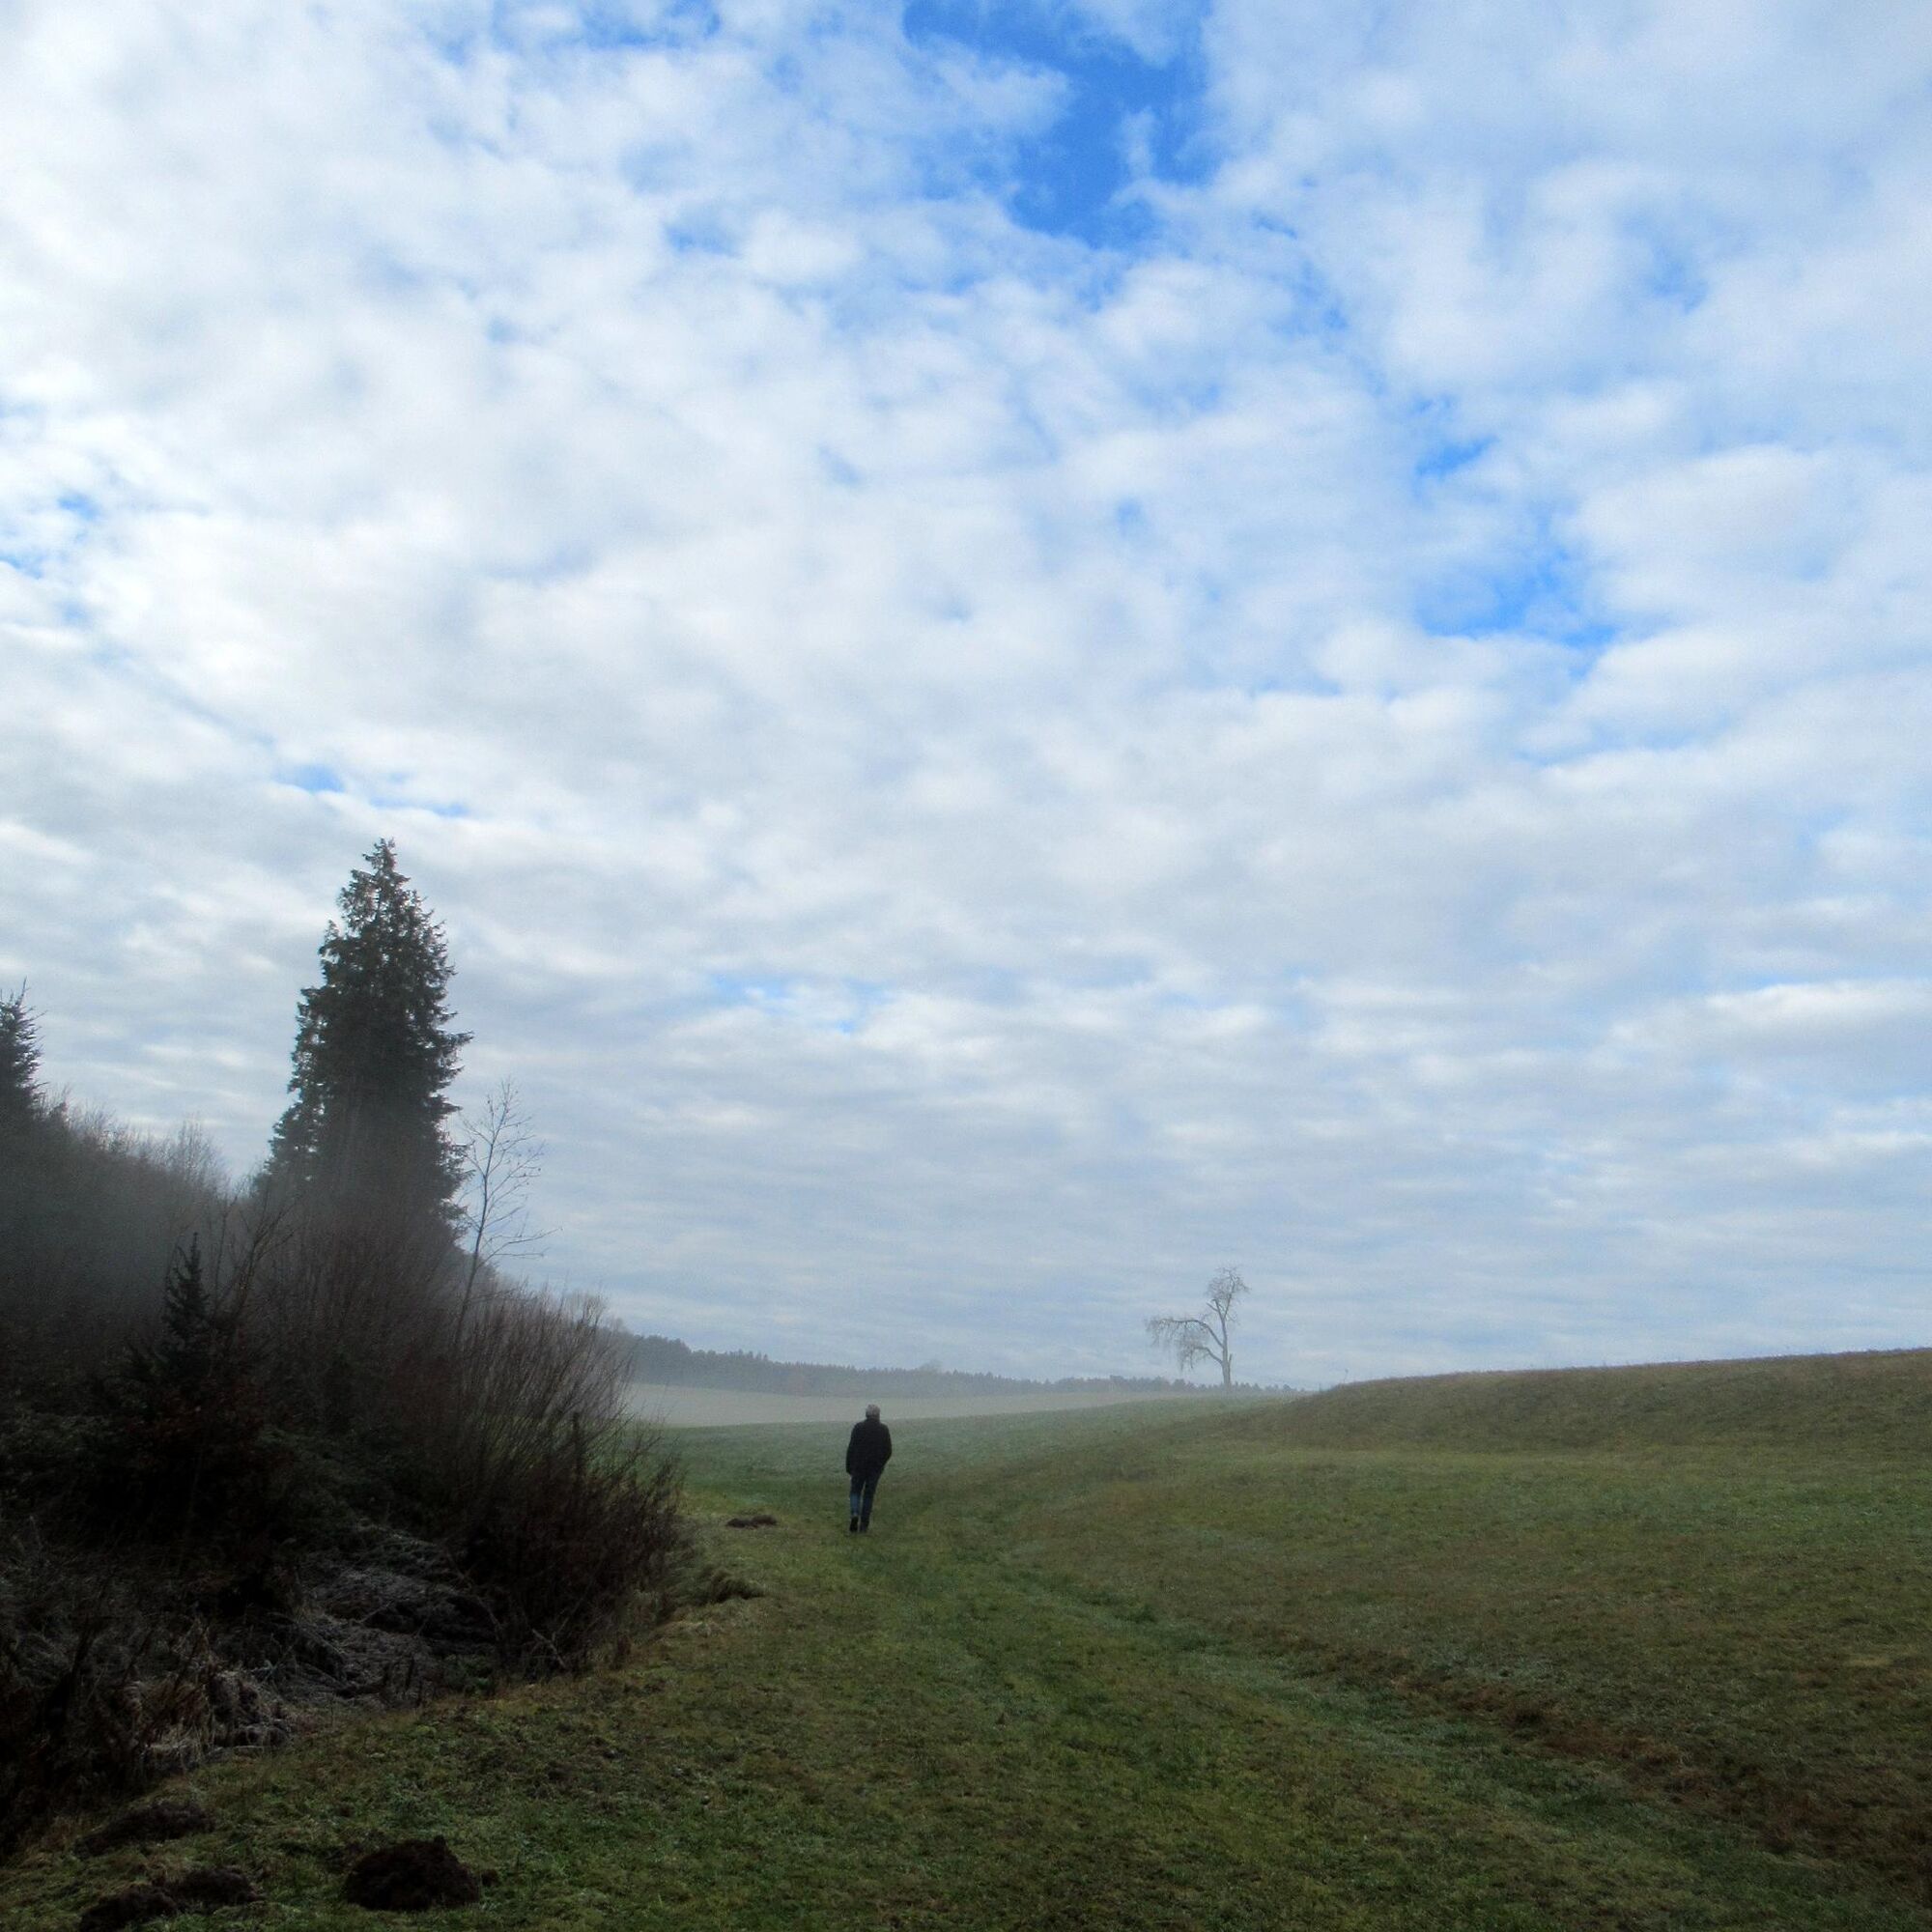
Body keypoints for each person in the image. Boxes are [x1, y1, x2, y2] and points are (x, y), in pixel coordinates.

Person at [845, 1403, 892, 1533]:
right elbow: (888, 1450)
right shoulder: (883, 1429)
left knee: (855, 1491)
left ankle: (855, 1513)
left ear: (866, 1414)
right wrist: (881, 1463)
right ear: (878, 1415)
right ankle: (864, 1524)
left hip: (858, 1466)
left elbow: (851, 1448)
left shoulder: (858, 1428)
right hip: (875, 1468)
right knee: (868, 1495)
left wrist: (849, 1466)